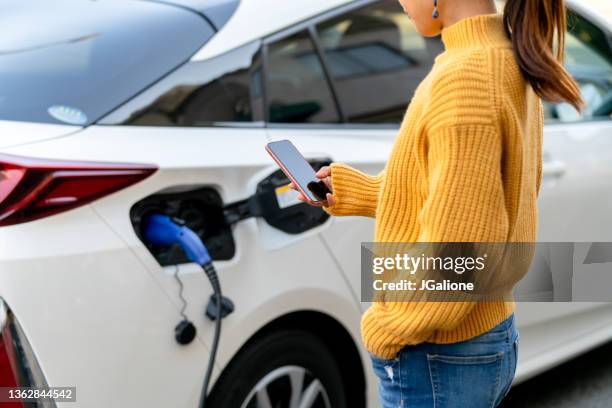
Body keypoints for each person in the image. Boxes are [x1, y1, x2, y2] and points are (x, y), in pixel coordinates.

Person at [290, 0, 584, 406]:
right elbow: (468, 198)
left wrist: (392, 326)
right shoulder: (505, 53)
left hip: (439, 351)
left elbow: (462, 241)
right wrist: (356, 190)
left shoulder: (465, 78)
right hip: (479, 333)